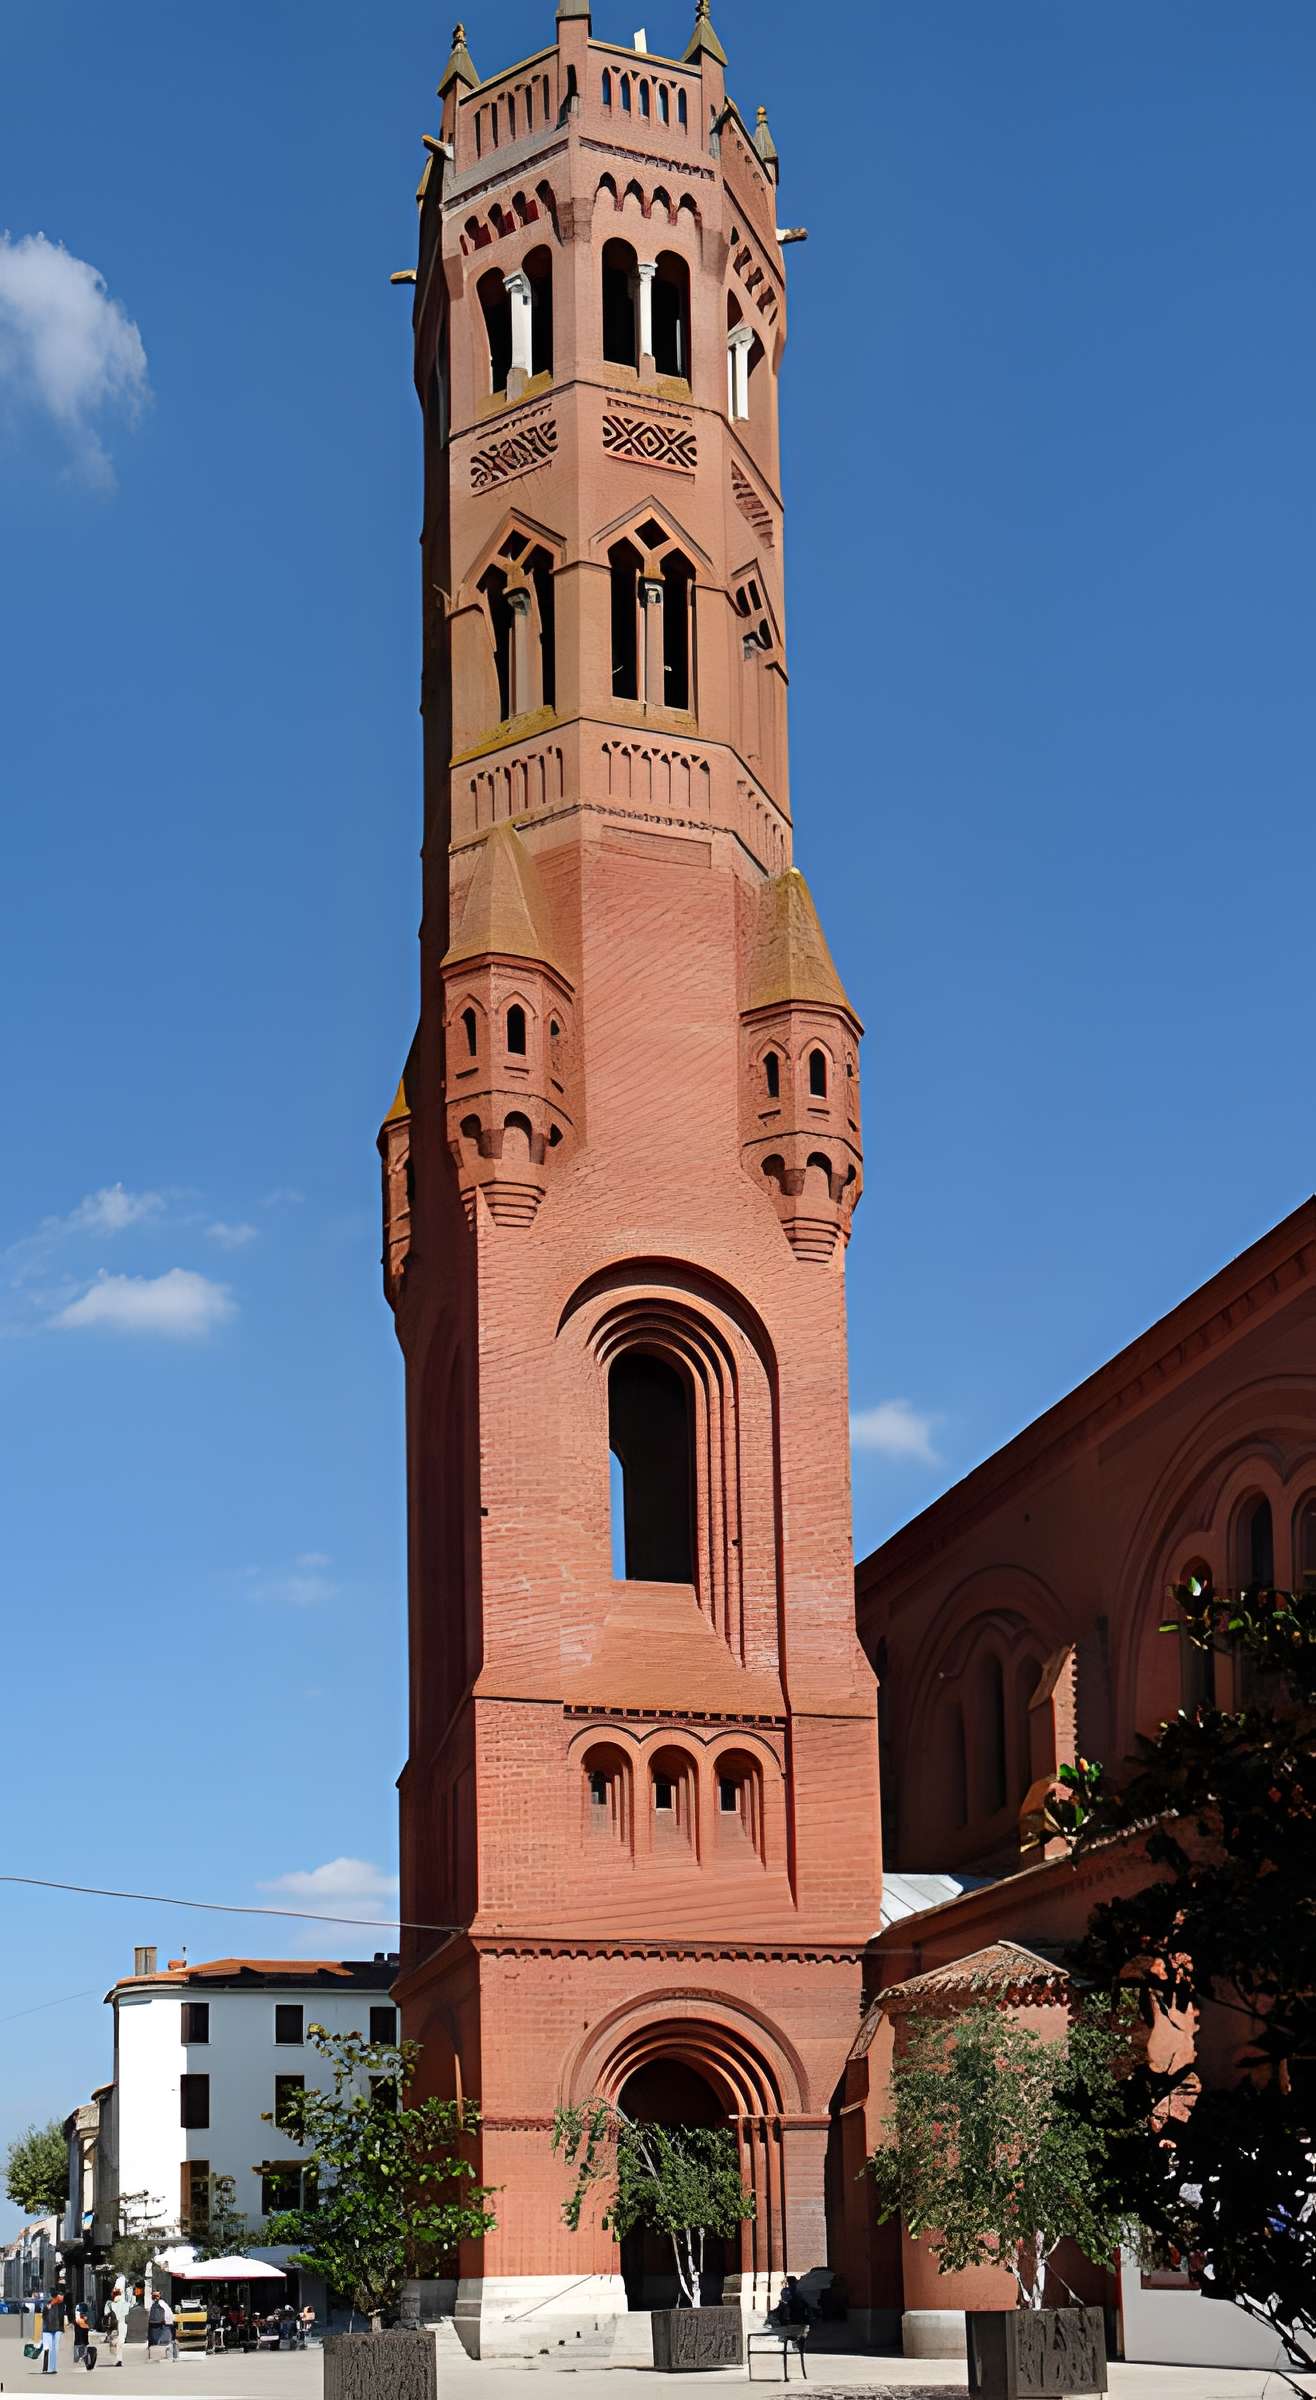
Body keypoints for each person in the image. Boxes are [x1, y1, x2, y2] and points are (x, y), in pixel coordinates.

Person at [41, 2284, 66, 2374]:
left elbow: (61, 2318)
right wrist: (47, 2309)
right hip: (48, 2329)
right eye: (61, 2295)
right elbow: (44, 2317)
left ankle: (53, 2368)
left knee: (55, 2348)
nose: (62, 2297)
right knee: (48, 2348)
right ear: (57, 2296)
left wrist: (62, 2329)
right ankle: (46, 2368)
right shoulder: (48, 2305)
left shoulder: (61, 2305)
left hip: (57, 2329)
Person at [74, 2295, 93, 2365]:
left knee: (78, 2341)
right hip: (83, 2326)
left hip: (78, 2326)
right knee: (84, 2342)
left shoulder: (78, 2306)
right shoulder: (85, 2306)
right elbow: (86, 2318)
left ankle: (78, 2356)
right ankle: (82, 2356)